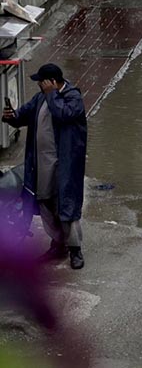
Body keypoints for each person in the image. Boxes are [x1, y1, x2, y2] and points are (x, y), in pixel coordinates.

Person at [2, 63, 88, 269]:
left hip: (64, 164)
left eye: (42, 81)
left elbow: (63, 114)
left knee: (66, 206)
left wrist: (51, 95)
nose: (39, 85)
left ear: (51, 82)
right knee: (45, 203)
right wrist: (12, 117)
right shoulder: (41, 97)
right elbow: (24, 114)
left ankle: (75, 249)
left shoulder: (73, 98)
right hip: (41, 163)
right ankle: (58, 244)